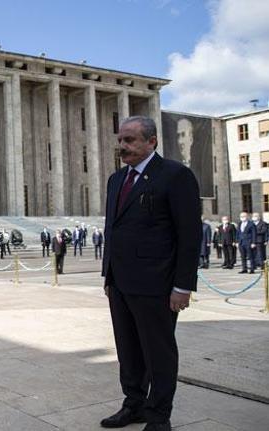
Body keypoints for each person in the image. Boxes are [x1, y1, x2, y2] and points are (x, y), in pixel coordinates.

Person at [101, 116, 201, 431]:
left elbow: (189, 235)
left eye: (130, 140)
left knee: (158, 353)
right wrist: (108, 276)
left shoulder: (175, 175)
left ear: (151, 141)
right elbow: (113, 229)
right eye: (121, 140)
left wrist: (183, 286)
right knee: (128, 351)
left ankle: (159, 416)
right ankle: (134, 405)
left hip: (156, 284)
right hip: (120, 283)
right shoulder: (116, 180)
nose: (123, 146)